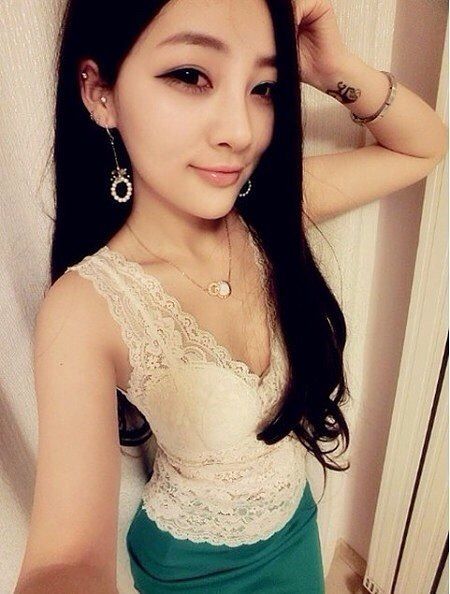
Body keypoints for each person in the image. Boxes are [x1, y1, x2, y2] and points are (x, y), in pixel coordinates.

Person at [15, 0, 447, 592]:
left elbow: (422, 147)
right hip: (194, 567)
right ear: (100, 93)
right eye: (190, 75)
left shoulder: (272, 215)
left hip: (297, 522)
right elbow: (64, 559)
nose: (241, 133)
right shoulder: (87, 307)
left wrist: (333, 67)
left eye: (264, 87)